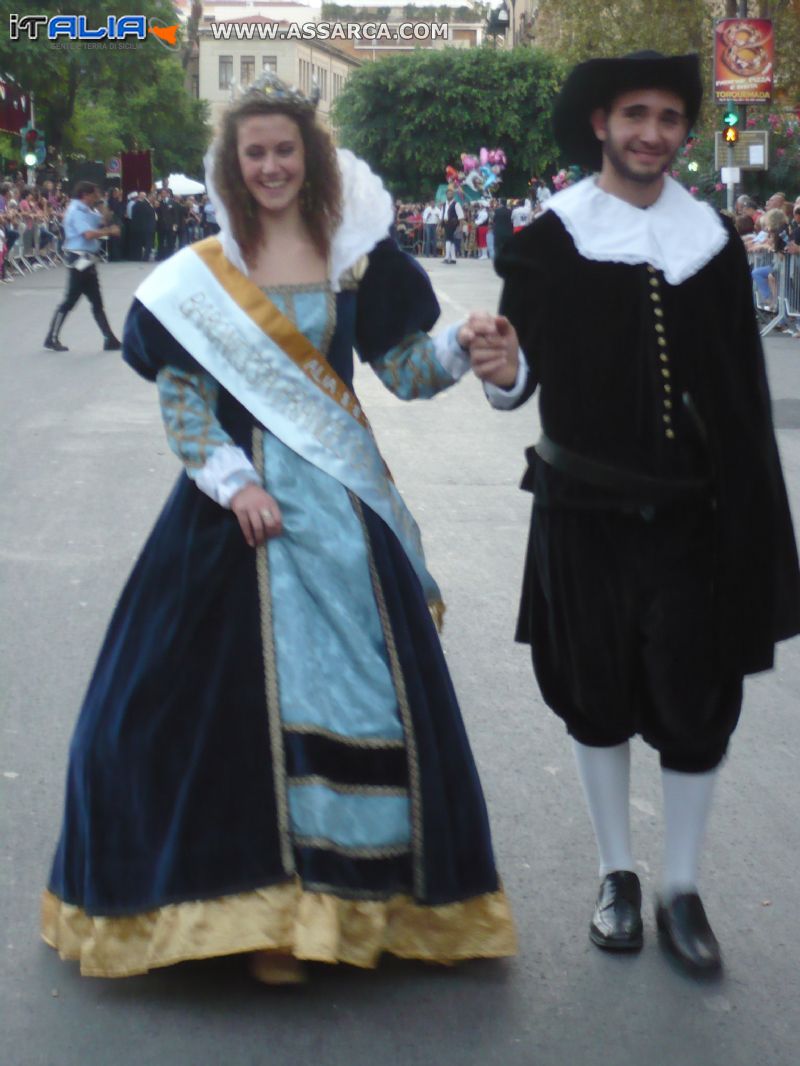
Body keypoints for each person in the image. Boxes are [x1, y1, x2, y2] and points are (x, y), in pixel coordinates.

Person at [41, 72, 516, 984]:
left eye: (285, 150)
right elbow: (184, 402)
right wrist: (234, 483)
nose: (270, 166)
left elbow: (407, 373)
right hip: (238, 509)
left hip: (340, 506)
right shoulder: (198, 277)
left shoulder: (360, 260)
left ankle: (352, 907)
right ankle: (256, 913)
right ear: (233, 162)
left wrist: (469, 345)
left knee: (372, 699)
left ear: (312, 157)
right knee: (155, 713)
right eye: (254, 152)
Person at [466, 51, 800, 976]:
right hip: (583, 511)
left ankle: (681, 887)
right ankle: (617, 874)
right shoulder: (548, 239)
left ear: (685, 133)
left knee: (699, 706)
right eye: (634, 115)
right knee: (596, 693)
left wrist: (751, 516)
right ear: (601, 126)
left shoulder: (715, 244)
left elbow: (738, 388)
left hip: (697, 517)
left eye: (667, 118)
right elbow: (519, 374)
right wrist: (504, 375)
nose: (651, 132)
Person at [43, 181, 121, 352]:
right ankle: (52, 337)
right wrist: (109, 232)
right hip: (79, 258)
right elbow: (88, 234)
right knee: (71, 300)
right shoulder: (76, 211)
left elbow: (103, 220)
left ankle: (110, 338)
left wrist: (102, 204)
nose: (96, 197)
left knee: (96, 301)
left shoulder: (86, 210)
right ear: (85, 195)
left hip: (87, 259)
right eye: (94, 194)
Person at [441, 187, 464, 264]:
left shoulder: (456, 204)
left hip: (453, 224)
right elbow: (442, 215)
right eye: (448, 194)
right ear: (446, 195)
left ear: (453, 195)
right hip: (446, 224)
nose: (449, 195)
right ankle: (453, 258)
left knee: (448, 240)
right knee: (451, 241)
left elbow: (461, 217)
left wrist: (460, 227)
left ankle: (447, 257)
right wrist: (439, 226)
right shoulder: (444, 204)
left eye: (450, 194)